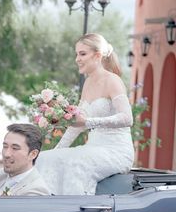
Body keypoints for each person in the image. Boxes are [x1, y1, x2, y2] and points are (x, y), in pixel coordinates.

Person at [36, 33, 134, 195]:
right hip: (93, 148)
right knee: (45, 158)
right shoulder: (88, 83)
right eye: (77, 54)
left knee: (76, 163)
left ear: (97, 56)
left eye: (82, 54)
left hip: (116, 151)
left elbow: (127, 118)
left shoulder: (113, 81)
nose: (77, 59)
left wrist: (88, 122)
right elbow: (77, 125)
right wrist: (57, 150)